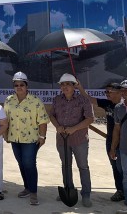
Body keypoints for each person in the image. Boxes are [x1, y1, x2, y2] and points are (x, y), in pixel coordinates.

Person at [3, 71, 49, 205]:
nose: (19, 87)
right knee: (21, 163)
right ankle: (27, 188)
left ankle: (33, 193)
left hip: (31, 140)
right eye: (16, 85)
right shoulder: (9, 100)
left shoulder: (35, 101)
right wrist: (5, 134)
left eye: (21, 84)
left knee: (29, 164)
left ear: (27, 86)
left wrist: (42, 136)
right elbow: (5, 119)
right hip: (14, 139)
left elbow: (42, 121)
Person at [50, 73, 94, 207]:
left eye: (68, 84)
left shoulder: (83, 100)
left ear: (74, 86)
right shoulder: (57, 99)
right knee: (66, 166)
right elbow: (52, 115)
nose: (65, 87)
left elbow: (90, 119)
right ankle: (68, 189)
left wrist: (74, 128)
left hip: (79, 139)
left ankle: (86, 194)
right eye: (62, 84)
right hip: (62, 139)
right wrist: (57, 126)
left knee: (83, 167)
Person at [78, 81, 124, 201]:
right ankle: (120, 191)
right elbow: (89, 98)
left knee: (123, 168)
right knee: (115, 167)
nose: (107, 94)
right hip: (110, 141)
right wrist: (79, 87)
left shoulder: (124, 106)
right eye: (105, 92)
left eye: (109, 91)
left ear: (119, 92)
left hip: (124, 141)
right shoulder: (107, 104)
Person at [111, 80, 127, 208]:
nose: (125, 92)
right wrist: (113, 148)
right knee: (125, 174)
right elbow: (116, 130)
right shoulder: (118, 108)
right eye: (123, 90)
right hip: (123, 148)